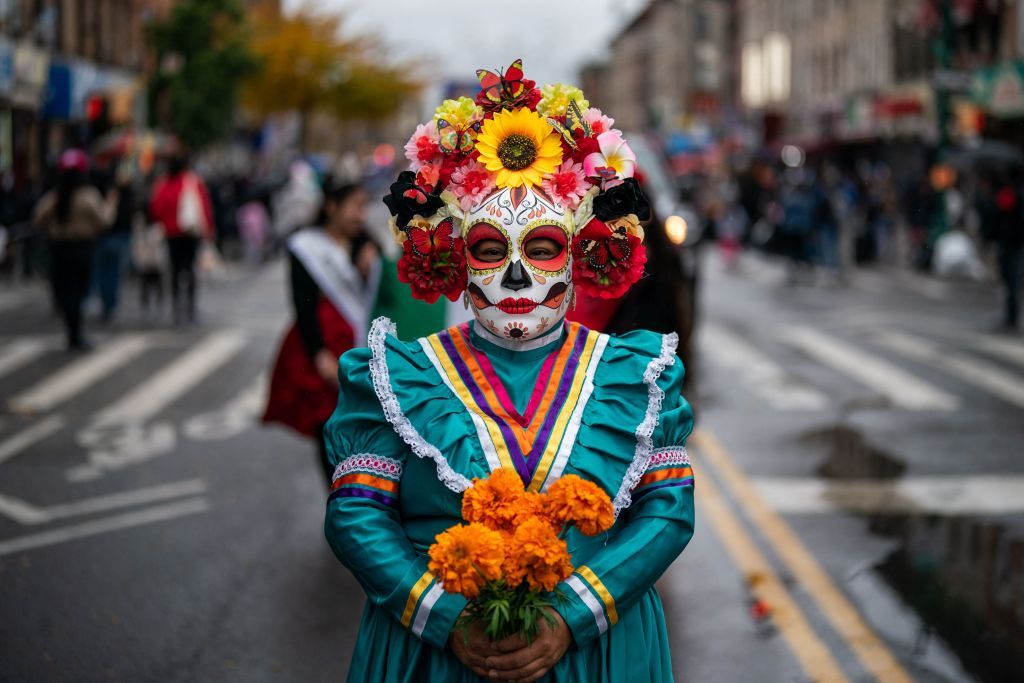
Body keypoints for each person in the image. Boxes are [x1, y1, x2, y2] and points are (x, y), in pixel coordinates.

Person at [323, 63, 695, 682]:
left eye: (543, 248)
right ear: (453, 256)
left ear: (578, 253)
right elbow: (356, 514)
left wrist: (573, 617)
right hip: (439, 658)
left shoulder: (633, 374)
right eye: (492, 250)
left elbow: (669, 508)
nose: (517, 277)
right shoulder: (399, 376)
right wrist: (443, 616)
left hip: (596, 654)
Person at [263, 180, 380, 484]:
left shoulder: (367, 244)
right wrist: (319, 354)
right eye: (354, 206)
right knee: (327, 431)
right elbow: (302, 305)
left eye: (363, 206)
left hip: (359, 348)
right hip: (324, 348)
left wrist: (374, 271)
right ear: (332, 207)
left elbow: (383, 297)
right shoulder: (306, 247)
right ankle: (340, 497)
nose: (360, 214)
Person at [31, 149, 116, 350]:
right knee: (77, 293)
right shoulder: (87, 197)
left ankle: (73, 332)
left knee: (67, 292)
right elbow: (104, 220)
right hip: (81, 249)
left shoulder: (54, 197)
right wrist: (112, 203)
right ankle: (75, 334)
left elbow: (37, 219)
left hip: (59, 248)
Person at [148, 153, 215, 324]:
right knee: (190, 269)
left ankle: (177, 305)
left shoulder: (163, 185)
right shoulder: (192, 182)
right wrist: (208, 229)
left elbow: (156, 209)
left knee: (175, 269)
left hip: (172, 235)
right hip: (190, 233)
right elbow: (204, 207)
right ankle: (191, 305)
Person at [93, 161, 137, 322]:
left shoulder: (117, 193)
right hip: (113, 236)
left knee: (108, 272)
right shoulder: (117, 193)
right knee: (111, 273)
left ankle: (108, 304)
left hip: (111, 236)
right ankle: (109, 304)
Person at [983, 175, 1023, 331]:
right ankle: (1010, 315)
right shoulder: (1003, 197)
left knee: (1012, 282)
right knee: (1008, 282)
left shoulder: (1011, 197)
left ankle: (1012, 316)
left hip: (1011, 245)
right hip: (1007, 244)